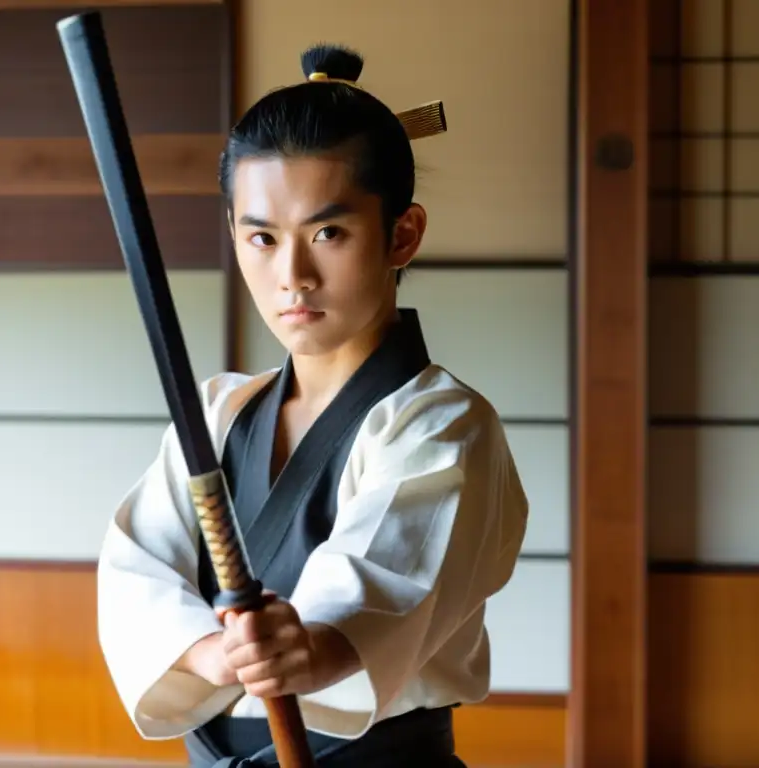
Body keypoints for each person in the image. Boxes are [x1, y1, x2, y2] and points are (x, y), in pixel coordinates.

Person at [96, 42, 529, 768]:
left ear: (402, 234)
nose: (291, 276)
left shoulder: (443, 425)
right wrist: (213, 653)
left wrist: (312, 645)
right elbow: (138, 566)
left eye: (328, 232)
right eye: (261, 237)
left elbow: (388, 581)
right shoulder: (218, 412)